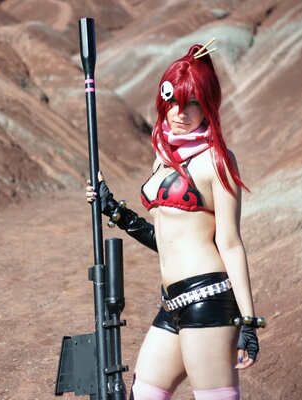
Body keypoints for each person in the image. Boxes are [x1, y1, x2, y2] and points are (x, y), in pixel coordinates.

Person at [85, 41, 265, 400]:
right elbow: (166, 238)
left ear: (208, 105)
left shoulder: (217, 160)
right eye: (174, 102)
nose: (181, 113)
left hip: (208, 299)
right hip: (171, 303)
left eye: (193, 103)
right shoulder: (163, 158)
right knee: (143, 394)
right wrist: (114, 210)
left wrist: (248, 320)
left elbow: (230, 242)